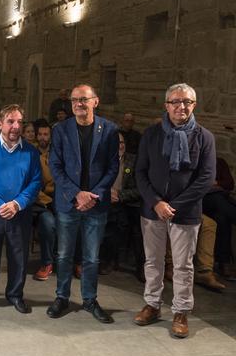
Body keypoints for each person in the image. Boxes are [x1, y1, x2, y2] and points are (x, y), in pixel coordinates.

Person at [134, 83, 216, 338]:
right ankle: (152, 304)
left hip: (186, 212)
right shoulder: (151, 134)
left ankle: (181, 311)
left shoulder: (204, 137)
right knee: (153, 261)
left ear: (194, 105)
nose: (182, 106)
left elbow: (206, 178)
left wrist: (175, 205)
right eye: (176, 102)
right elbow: (140, 172)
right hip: (153, 210)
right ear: (166, 105)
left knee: (183, 265)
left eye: (187, 102)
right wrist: (156, 202)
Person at [47, 84, 119, 324]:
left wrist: (93, 195)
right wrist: (76, 194)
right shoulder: (60, 129)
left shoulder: (109, 129)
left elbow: (113, 167)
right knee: (64, 255)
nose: (79, 103)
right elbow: (55, 166)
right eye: (75, 100)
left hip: (95, 205)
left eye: (84, 99)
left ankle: (90, 300)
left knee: (91, 257)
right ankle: (62, 297)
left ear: (95, 102)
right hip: (69, 203)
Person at [0, 104, 41, 313]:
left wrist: (17, 204)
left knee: (18, 257)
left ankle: (15, 294)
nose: (16, 126)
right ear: (0, 123)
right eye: (11, 121)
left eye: (19, 122)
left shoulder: (31, 152)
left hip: (19, 213)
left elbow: (35, 182)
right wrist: (0, 205)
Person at [99, 132, 141, 277]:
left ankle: (140, 266)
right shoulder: (102, 160)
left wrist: (120, 195)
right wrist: (106, 193)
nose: (120, 146)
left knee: (133, 226)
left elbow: (140, 188)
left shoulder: (134, 161)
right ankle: (108, 260)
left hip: (130, 203)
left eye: (122, 143)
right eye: (116, 143)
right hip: (107, 201)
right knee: (109, 221)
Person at [202, 156, 236, 280]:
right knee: (217, 199)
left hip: (220, 203)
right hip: (203, 201)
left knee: (222, 218)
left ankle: (223, 263)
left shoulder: (219, 162)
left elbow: (230, 183)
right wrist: (215, 184)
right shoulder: (194, 161)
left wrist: (215, 183)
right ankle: (224, 263)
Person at [32, 122, 57, 281]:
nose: (43, 137)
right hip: (40, 204)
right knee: (48, 223)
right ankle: (47, 263)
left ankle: (76, 262)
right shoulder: (31, 154)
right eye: (40, 134)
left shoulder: (57, 153)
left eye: (46, 134)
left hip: (58, 200)